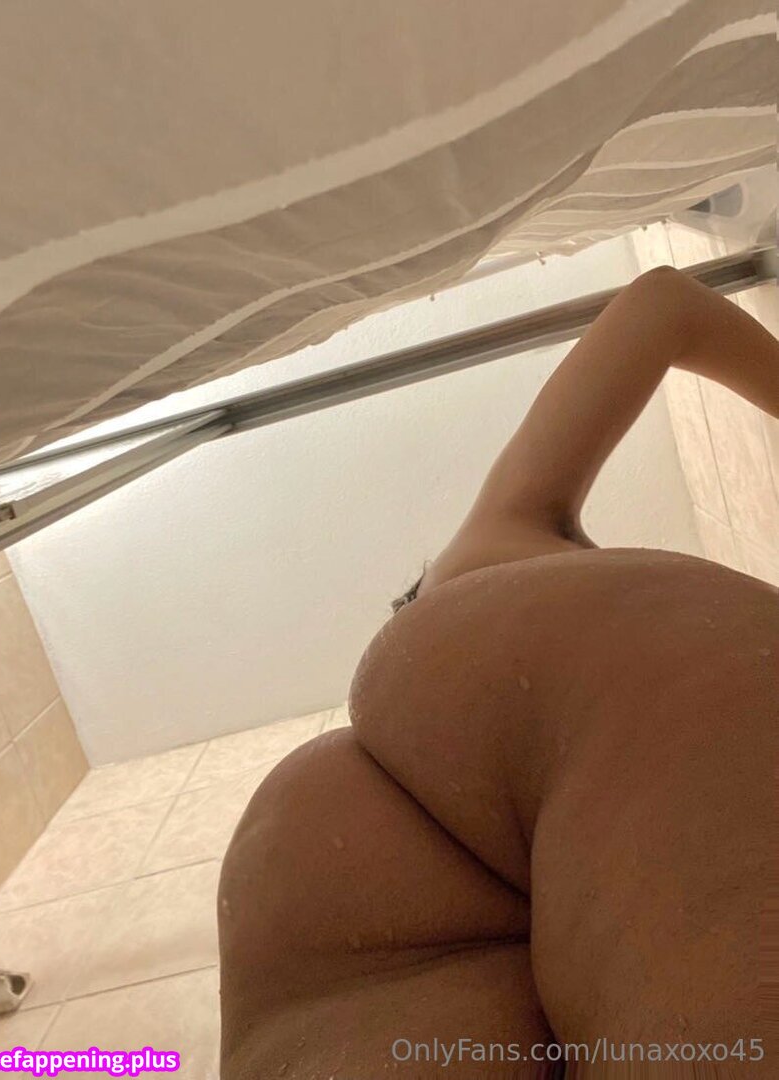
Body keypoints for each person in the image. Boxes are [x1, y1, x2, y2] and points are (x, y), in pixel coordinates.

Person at [218, 264, 778, 1078]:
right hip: (345, 854)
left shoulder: (493, 557)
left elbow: (666, 304)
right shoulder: (502, 546)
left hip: (325, 874)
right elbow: (663, 301)